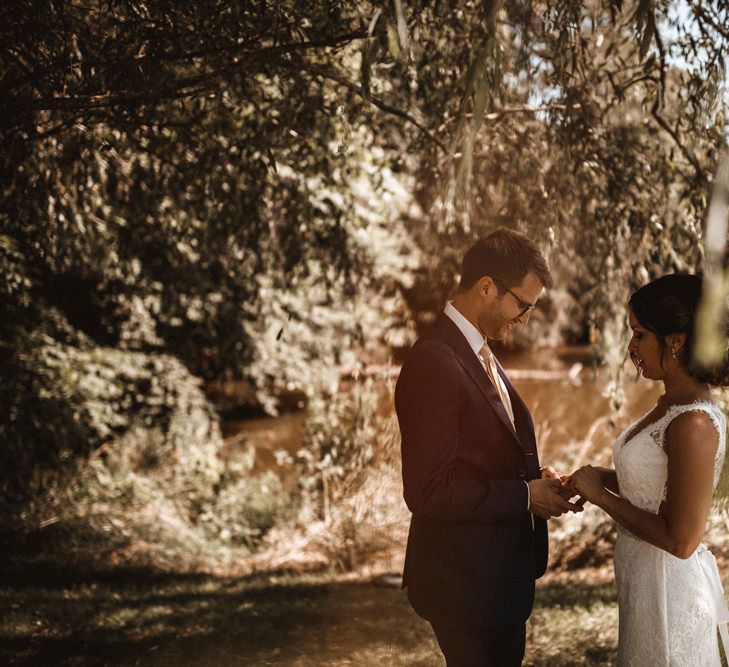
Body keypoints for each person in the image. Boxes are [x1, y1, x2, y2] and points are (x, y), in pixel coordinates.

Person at [395, 228, 580, 667]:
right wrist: (524, 496)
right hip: (464, 583)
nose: (526, 319)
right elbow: (428, 491)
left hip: (494, 580)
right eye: (523, 304)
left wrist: (535, 481)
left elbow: (485, 454)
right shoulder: (435, 361)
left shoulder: (477, 350)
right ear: (485, 287)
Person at [568, 274, 729, 666]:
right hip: (641, 587)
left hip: (669, 597)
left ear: (675, 340)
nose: (631, 347)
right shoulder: (668, 405)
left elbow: (681, 540)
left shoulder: (694, 424)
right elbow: (651, 486)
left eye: (640, 334)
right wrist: (586, 479)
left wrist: (600, 496)